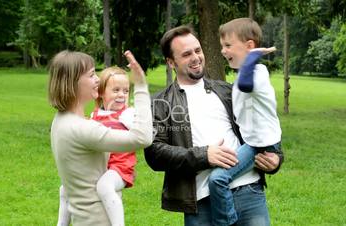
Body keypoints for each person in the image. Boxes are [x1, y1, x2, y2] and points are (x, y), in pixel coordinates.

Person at [144, 25, 284, 226]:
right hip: (201, 202)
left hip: (249, 192)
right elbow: (155, 154)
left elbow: (261, 122)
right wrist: (205, 155)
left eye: (197, 50)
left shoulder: (227, 90)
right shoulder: (160, 103)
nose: (195, 57)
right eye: (186, 54)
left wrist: (276, 158)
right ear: (170, 62)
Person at [49, 50, 152, 226]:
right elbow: (143, 138)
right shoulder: (83, 128)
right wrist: (141, 86)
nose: (97, 79)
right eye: (91, 75)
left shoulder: (60, 121)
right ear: (73, 82)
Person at [207, 18, 283, 226]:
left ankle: (226, 222)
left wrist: (253, 57)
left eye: (228, 45)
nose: (223, 51)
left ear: (249, 46)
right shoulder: (243, 75)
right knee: (217, 179)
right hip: (255, 141)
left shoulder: (257, 73)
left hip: (260, 145)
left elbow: (247, 85)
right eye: (222, 46)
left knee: (218, 179)